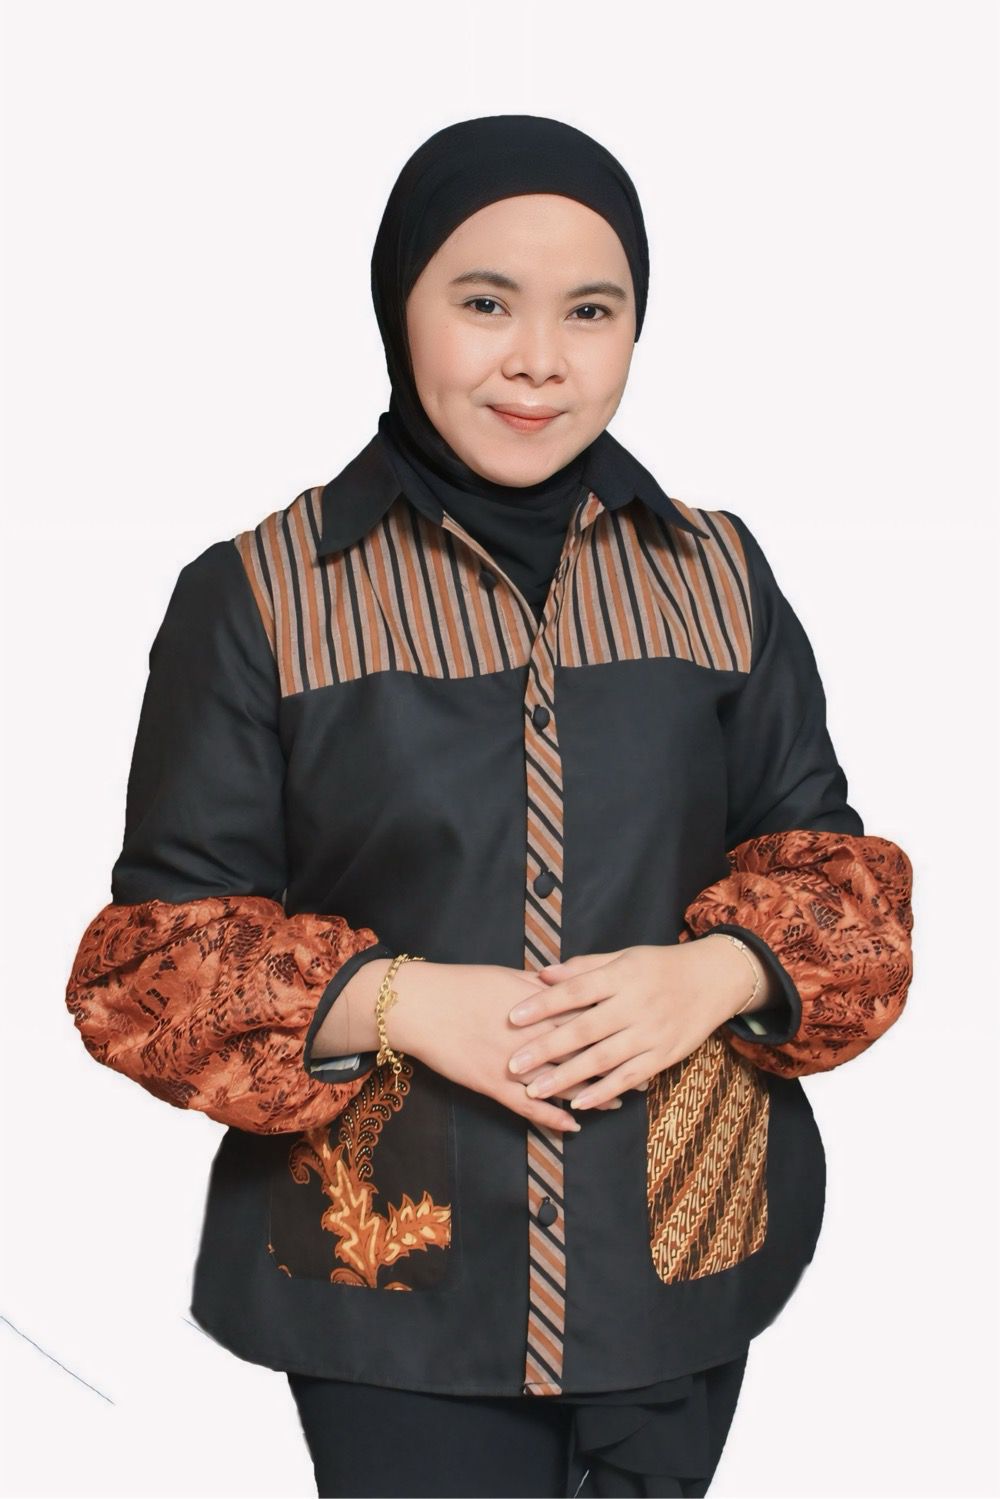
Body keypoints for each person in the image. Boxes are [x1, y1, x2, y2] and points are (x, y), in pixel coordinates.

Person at [64, 114, 915, 1498]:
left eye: (591, 310)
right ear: (399, 308)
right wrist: (398, 1002)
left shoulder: (717, 574)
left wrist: (716, 973)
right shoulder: (259, 596)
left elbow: (843, 892)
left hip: (678, 1243)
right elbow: (148, 970)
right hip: (391, 1272)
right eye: (483, 303)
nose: (539, 359)